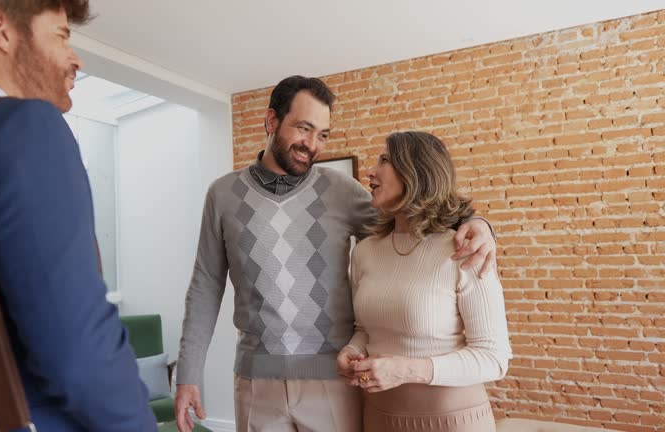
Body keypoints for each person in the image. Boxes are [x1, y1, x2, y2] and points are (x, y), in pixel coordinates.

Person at [174, 76, 498, 432]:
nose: (312, 144)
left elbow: (417, 217)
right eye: (303, 128)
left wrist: (479, 223)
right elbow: (204, 287)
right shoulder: (222, 195)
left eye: (323, 134)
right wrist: (188, 376)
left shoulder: (341, 190)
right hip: (256, 382)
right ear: (271, 121)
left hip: (334, 380)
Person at [0, 1, 156, 431]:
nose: (75, 58)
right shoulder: (25, 127)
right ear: (0, 29)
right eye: (61, 35)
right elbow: (81, 357)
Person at [337, 131, 512, 432]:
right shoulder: (364, 252)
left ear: (416, 171)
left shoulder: (464, 248)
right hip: (378, 419)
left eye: (384, 160)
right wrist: (353, 351)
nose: (370, 171)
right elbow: (366, 329)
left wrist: (406, 369)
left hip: (452, 423)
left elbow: (494, 358)